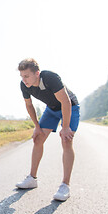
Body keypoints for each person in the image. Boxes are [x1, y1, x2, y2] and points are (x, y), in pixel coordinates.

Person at [16, 58, 80, 201]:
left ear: (37, 73)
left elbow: (65, 102)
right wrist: (37, 127)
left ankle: (65, 185)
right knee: (38, 139)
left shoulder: (50, 77)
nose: (24, 80)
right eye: (21, 76)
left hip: (70, 107)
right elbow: (29, 105)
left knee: (66, 140)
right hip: (51, 109)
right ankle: (32, 179)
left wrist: (65, 127)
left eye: (26, 76)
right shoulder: (24, 85)